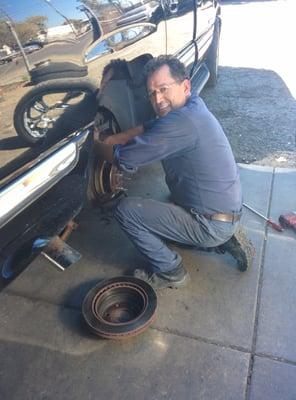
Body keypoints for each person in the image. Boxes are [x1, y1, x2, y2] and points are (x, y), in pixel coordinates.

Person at [96, 55, 254, 290]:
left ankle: (171, 271)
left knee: (126, 211)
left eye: (163, 89)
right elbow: (148, 127)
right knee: (169, 202)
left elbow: (124, 159)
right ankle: (221, 236)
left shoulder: (180, 124)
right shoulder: (193, 107)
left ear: (186, 85)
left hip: (209, 222)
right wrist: (115, 138)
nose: (157, 99)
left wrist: (98, 143)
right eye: (152, 93)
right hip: (226, 208)